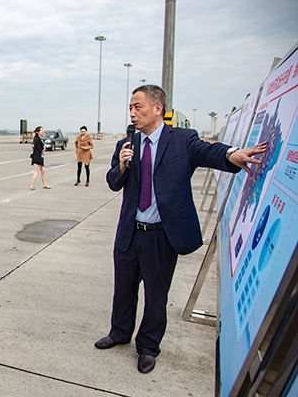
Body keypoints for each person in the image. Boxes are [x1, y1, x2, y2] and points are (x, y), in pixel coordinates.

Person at [96, 84, 267, 374]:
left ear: (157, 108)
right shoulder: (127, 144)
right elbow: (114, 183)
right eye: (130, 107)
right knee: (123, 289)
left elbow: (208, 151)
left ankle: (148, 347)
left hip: (161, 235)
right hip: (129, 232)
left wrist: (232, 155)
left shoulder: (182, 140)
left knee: (156, 295)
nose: (132, 113)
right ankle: (119, 332)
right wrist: (122, 167)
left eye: (138, 106)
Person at [30, 126, 50, 190]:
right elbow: (39, 149)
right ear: (37, 132)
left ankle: (44, 184)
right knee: (36, 171)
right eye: (41, 130)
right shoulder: (37, 140)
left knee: (43, 171)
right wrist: (43, 148)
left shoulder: (38, 139)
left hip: (40, 157)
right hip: (38, 157)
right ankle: (32, 185)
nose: (42, 131)